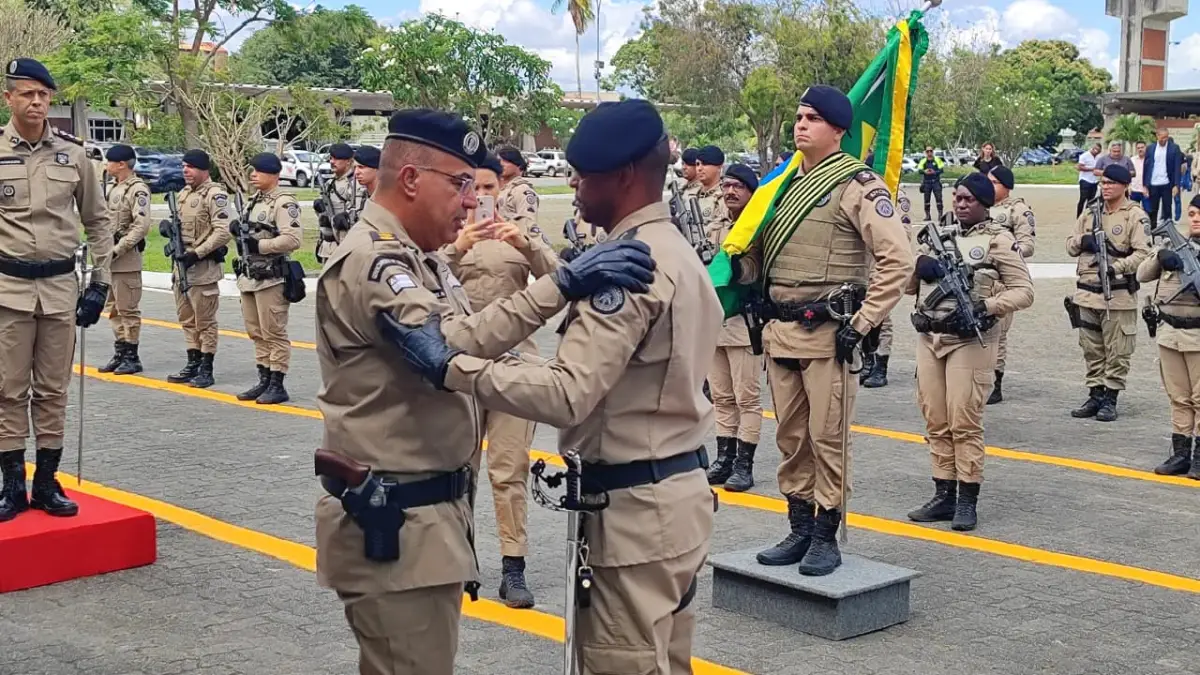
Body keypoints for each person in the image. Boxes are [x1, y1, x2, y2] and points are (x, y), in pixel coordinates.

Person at [374, 99, 719, 673]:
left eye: (585, 177)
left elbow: (567, 394)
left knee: (624, 663)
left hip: (634, 514)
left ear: (626, 176)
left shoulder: (627, 268)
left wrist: (448, 367)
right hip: (676, 496)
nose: (575, 187)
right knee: (667, 660)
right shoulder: (674, 249)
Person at [313, 107, 657, 675]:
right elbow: (452, 341)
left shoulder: (418, 258)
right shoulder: (375, 260)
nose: (472, 201)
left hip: (425, 523)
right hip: (398, 525)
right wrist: (564, 282)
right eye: (461, 184)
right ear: (410, 179)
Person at [731, 85, 914, 576]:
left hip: (831, 333)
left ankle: (826, 534)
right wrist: (737, 266)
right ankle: (798, 527)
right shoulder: (780, 187)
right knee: (791, 438)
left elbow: (898, 261)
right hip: (779, 331)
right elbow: (759, 259)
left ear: (838, 129)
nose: (801, 125)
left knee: (826, 437)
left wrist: (864, 322)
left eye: (812, 117)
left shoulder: (859, 186)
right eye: (798, 116)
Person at [437, 150, 559, 609]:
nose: (482, 196)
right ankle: (460, 560)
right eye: (475, 188)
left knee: (509, 470)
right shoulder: (449, 232)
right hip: (459, 367)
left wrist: (526, 244)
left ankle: (514, 567)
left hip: (512, 366)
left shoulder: (521, 231)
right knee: (457, 468)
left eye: (490, 188)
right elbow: (418, 276)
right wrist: (458, 245)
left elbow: (560, 279)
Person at [0, 58, 111, 521]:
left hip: (62, 288)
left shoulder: (75, 155)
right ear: (9, 98)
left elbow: (98, 220)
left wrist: (100, 284)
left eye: (44, 94)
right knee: (7, 390)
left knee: (52, 390)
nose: (37, 102)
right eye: (27, 93)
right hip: (7, 289)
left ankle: (46, 484)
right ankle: (11, 487)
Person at [905, 174, 1034, 531]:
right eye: (957, 198)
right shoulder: (937, 238)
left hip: (970, 340)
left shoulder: (998, 240)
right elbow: (907, 287)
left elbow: (1024, 291)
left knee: (964, 419)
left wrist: (986, 307)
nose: (960, 204)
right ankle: (943, 492)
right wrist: (918, 268)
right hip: (931, 336)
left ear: (984, 203)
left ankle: (967, 498)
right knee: (935, 417)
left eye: (968, 199)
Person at [1065, 164, 1151, 422]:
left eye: (1112, 183)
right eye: (1103, 183)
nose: (1106, 187)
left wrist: (1117, 268)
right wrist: (1083, 241)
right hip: (1087, 294)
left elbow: (1144, 254)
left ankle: (1110, 398)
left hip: (1117, 295)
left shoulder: (1134, 215)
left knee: (1117, 350)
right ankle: (1095, 394)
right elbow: (1070, 245)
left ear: (1125, 186)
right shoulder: (1090, 212)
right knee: (1091, 348)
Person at [705, 162, 764, 493]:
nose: (730, 191)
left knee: (746, 397)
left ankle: (744, 464)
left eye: (738, 187)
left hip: (744, 322)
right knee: (721, 396)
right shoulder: (714, 225)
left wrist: (739, 266)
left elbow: (757, 272)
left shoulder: (756, 228)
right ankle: (724, 458)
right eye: (726, 186)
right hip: (716, 322)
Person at [231, 153, 302, 405]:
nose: (253, 175)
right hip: (250, 276)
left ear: (273, 174)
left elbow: (293, 239)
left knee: (273, 332)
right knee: (256, 331)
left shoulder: (282, 203)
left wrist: (259, 245)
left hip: (271, 277)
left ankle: (277, 382)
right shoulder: (253, 201)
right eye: (253, 170)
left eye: (258, 171)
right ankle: (263, 378)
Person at [1140, 193, 1200, 479]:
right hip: (1169, 333)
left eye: (1199, 214)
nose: (1196, 218)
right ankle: (1180, 453)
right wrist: (1160, 258)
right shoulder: (1174, 245)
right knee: (1178, 396)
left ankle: (1199, 457)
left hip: (1198, 335)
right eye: (1191, 213)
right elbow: (1141, 275)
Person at [167, 149, 232, 389]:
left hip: (202, 269)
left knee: (205, 321)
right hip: (181, 268)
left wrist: (198, 253)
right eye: (184, 166)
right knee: (186, 319)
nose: (186, 170)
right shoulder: (183, 194)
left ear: (204, 170)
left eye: (191, 167)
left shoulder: (215, 195)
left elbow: (223, 231)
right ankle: (192, 361)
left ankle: (206, 367)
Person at [97, 143, 151, 376]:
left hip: (126, 258)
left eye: (109, 161)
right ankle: (120, 350)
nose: (106, 165)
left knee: (128, 309)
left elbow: (141, 226)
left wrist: (119, 249)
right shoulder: (112, 188)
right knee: (113, 308)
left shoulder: (137, 190)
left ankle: (132, 355)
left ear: (121, 164)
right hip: (110, 258)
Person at [984, 166, 1036, 404]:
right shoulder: (981, 205)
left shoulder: (1018, 210)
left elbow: (1027, 245)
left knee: (998, 333)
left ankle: (996, 381)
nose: (989, 185)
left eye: (994, 182)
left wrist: (1003, 253)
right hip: (979, 279)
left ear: (1006, 186)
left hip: (1003, 281)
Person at [316, 143, 367, 262]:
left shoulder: (355, 184)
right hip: (329, 246)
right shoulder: (329, 184)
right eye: (331, 158)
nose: (332, 161)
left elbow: (360, 215)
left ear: (349, 161)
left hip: (348, 244)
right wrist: (320, 211)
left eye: (337, 158)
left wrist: (346, 218)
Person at [494, 145, 539, 231]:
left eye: (506, 161)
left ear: (518, 165)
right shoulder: (494, 188)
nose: (501, 164)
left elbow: (528, 225)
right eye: (499, 160)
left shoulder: (523, 191)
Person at [1144, 129, 1181, 226]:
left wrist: (1176, 185)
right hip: (1153, 184)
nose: (1164, 140)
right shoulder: (1150, 148)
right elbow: (1146, 167)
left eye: (1166, 137)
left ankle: (1168, 233)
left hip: (1167, 184)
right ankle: (1152, 232)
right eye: (1162, 137)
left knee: (1167, 210)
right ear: (1157, 136)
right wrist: (1145, 185)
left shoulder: (1174, 148)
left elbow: (1177, 167)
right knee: (1152, 210)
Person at [693, 145, 727, 224]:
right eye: (697, 164)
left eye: (705, 164)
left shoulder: (725, 197)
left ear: (719, 167)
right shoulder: (694, 194)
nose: (699, 168)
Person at [917, 146, 945, 221]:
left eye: (930, 151)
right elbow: (919, 170)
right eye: (927, 151)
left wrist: (934, 172)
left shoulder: (937, 159)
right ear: (925, 152)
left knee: (939, 199)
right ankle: (927, 216)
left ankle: (940, 215)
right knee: (926, 200)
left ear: (933, 152)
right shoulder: (923, 161)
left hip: (935, 182)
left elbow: (941, 170)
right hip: (927, 183)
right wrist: (924, 171)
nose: (929, 153)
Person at [1076, 143, 1102, 218]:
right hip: (1085, 180)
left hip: (1094, 181)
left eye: (1098, 150)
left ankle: (1086, 216)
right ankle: (1079, 216)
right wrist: (1092, 169)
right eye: (1095, 149)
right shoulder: (1084, 156)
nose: (1096, 151)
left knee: (1091, 200)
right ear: (1092, 148)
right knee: (1083, 198)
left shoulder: (1099, 157)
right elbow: (1080, 167)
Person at [1130, 141, 1149, 212]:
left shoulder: (1150, 159)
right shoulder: (1132, 160)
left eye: (1142, 147)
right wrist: (1129, 186)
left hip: (1146, 190)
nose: (1140, 149)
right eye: (1138, 148)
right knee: (1134, 211)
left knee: (1148, 211)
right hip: (1134, 190)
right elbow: (1129, 173)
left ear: (1145, 148)